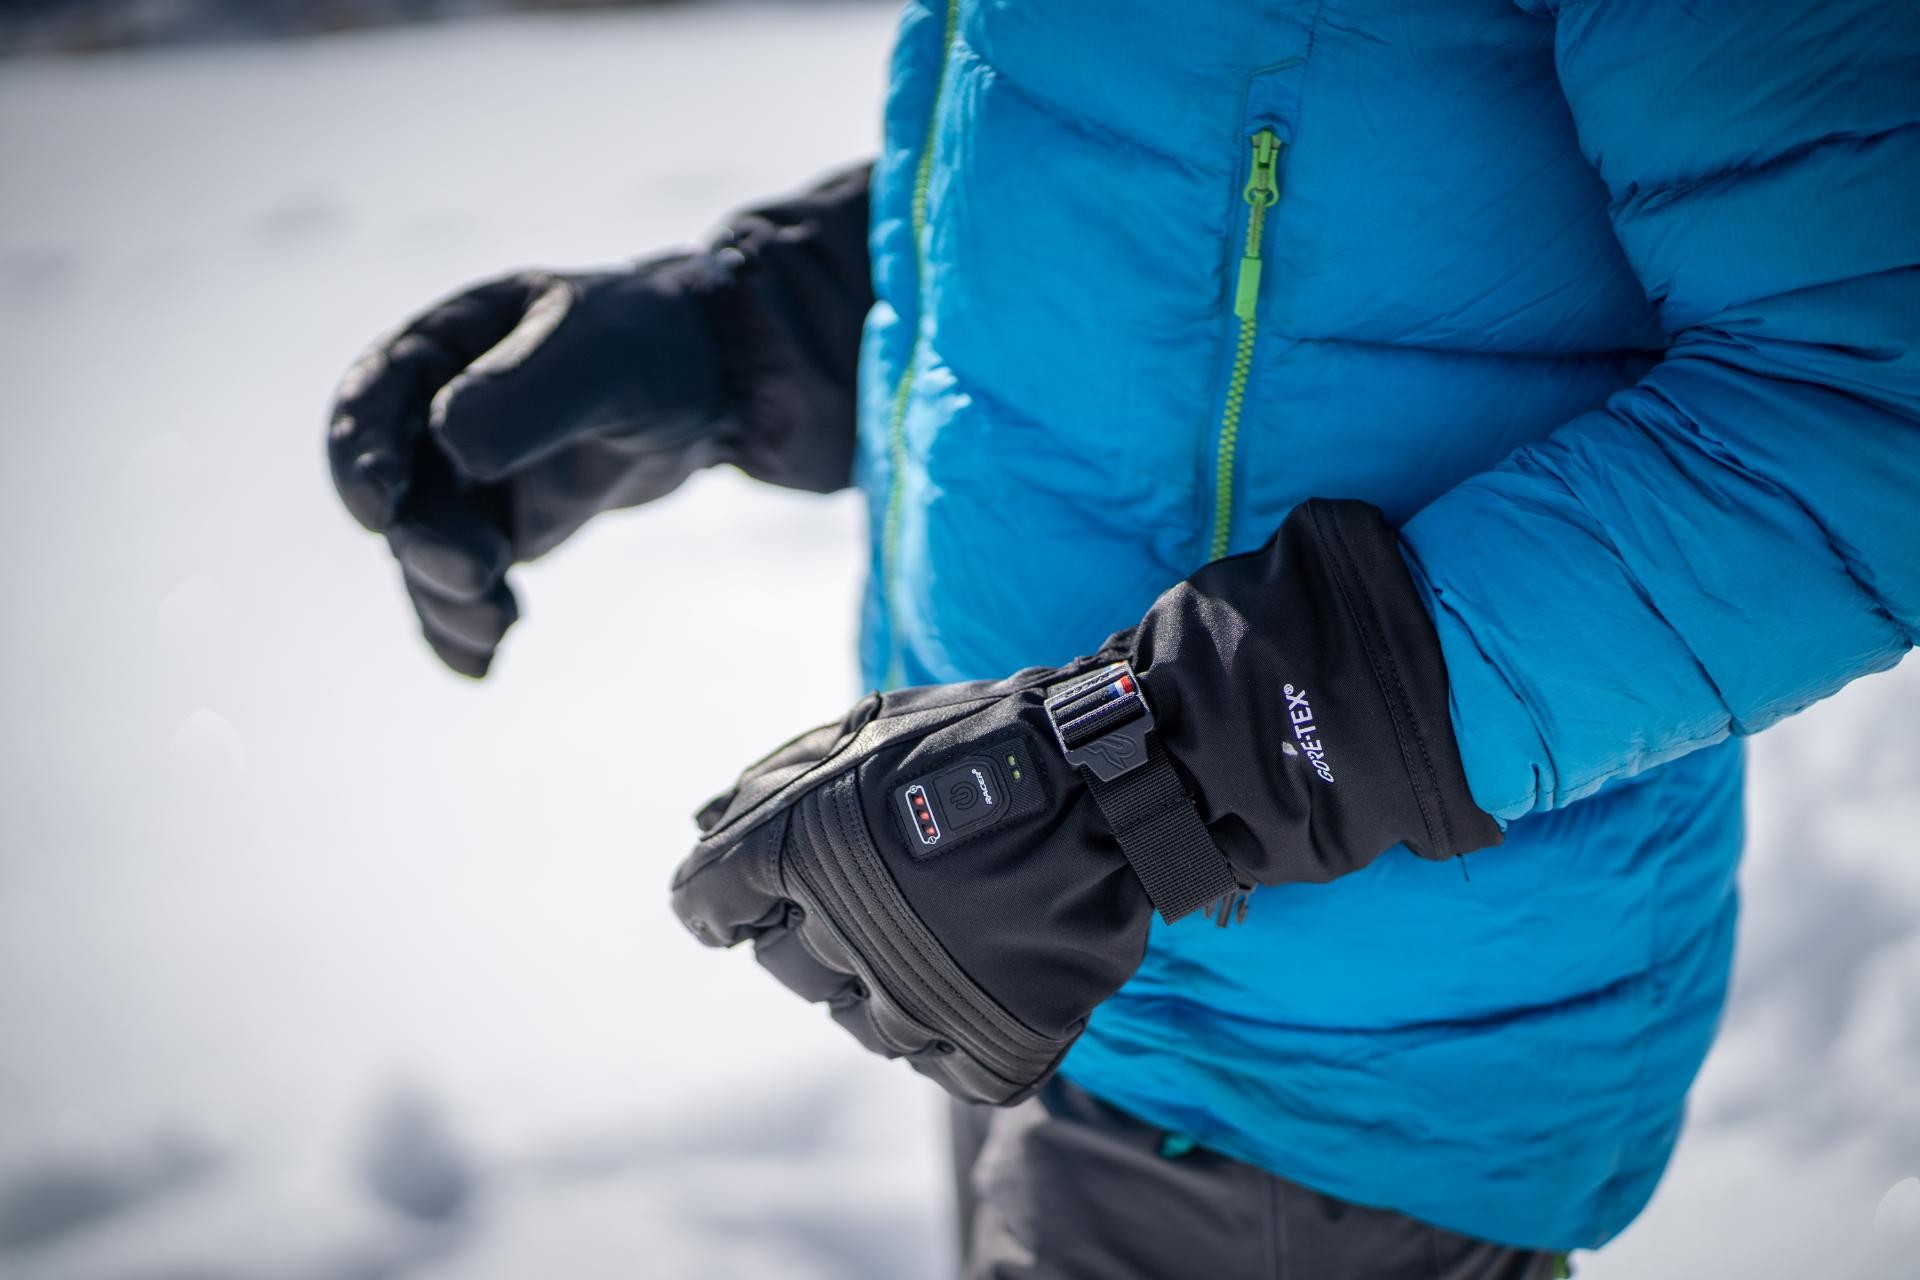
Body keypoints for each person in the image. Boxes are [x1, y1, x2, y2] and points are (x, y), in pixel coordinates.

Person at [326, 1, 1920, 1275]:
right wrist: (732, 337)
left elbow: (1869, 406)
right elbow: (1177, 153)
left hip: (1340, 1056)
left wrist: (1157, 771)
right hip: (1008, 945)